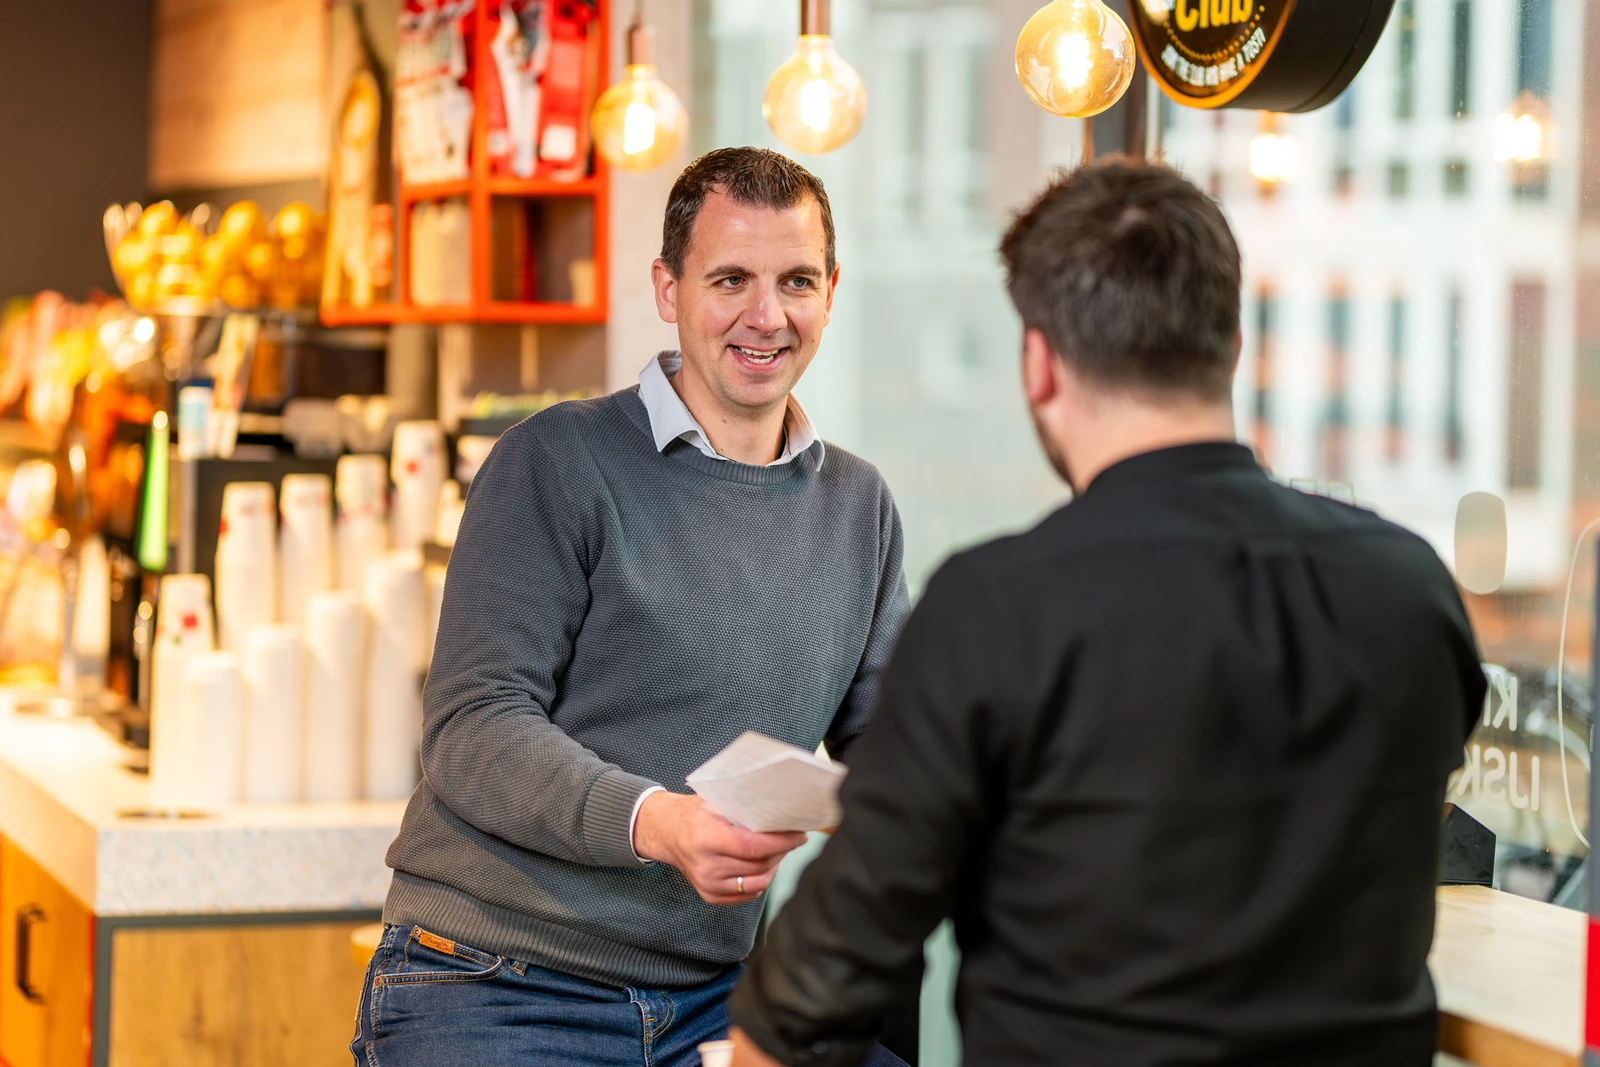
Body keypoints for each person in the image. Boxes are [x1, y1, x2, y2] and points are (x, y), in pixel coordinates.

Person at [726, 158, 1487, 1067]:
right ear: (1231, 346)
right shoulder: (1410, 587)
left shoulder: (998, 607)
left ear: (1040, 365)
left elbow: (814, 987)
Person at [352, 147, 912, 1067]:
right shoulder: (554, 460)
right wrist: (662, 823)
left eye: (796, 281)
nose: (766, 316)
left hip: (714, 998)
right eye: (730, 279)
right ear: (667, 288)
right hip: (496, 980)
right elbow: (473, 728)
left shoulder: (860, 506)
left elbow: (894, 748)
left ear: (830, 291)